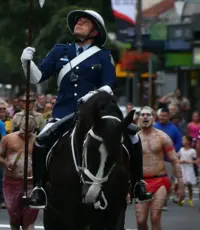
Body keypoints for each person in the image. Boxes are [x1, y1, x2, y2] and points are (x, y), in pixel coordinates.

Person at [20, 9, 151, 208]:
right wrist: (26, 63)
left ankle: (138, 184)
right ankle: (38, 188)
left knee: (133, 136)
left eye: (85, 22)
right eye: (77, 21)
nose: (78, 23)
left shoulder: (103, 55)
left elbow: (110, 83)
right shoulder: (59, 51)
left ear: (95, 32)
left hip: (94, 114)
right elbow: (37, 78)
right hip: (64, 112)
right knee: (40, 141)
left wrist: (95, 95)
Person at [135, 106, 185, 230]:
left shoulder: (162, 137)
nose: (145, 117)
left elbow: (174, 160)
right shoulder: (134, 138)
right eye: (142, 114)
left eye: (148, 114)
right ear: (138, 118)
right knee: (141, 220)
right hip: (142, 182)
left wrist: (181, 184)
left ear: (153, 117)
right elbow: (126, 163)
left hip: (160, 180)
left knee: (155, 217)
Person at [0, 114, 39, 230]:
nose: (26, 134)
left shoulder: (38, 141)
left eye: (29, 132)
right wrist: (7, 164)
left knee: (30, 216)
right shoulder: (8, 138)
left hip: (31, 183)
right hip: (11, 182)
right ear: (19, 126)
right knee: (14, 215)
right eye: (23, 131)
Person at [178, 136, 196, 207]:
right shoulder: (181, 149)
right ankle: (182, 199)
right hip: (182, 168)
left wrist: (188, 161)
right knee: (183, 185)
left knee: (189, 185)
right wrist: (179, 161)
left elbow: (195, 161)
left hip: (189, 168)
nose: (182, 141)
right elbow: (177, 158)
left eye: (184, 139)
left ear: (189, 141)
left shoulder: (193, 151)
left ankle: (190, 199)